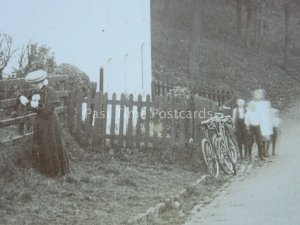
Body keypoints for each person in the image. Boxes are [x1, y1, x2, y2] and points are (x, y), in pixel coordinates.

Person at [19, 70, 69, 177]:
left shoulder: (49, 91)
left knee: (52, 143)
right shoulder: (35, 93)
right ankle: (45, 169)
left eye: (36, 84)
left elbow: (48, 110)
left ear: (41, 82)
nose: (34, 86)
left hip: (50, 121)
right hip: (40, 122)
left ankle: (56, 171)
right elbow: (34, 108)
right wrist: (27, 103)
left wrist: (36, 106)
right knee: (42, 144)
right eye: (33, 84)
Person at [253, 89, 273, 157]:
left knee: (267, 137)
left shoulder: (267, 103)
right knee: (259, 137)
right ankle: (260, 151)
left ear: (264, 95)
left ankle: (266, 151)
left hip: (266, 121)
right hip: (258, 121)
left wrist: (270, 121)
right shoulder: (254, 103)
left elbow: (269, 112)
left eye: (261, 94)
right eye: (257, 94)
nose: (259, 95)